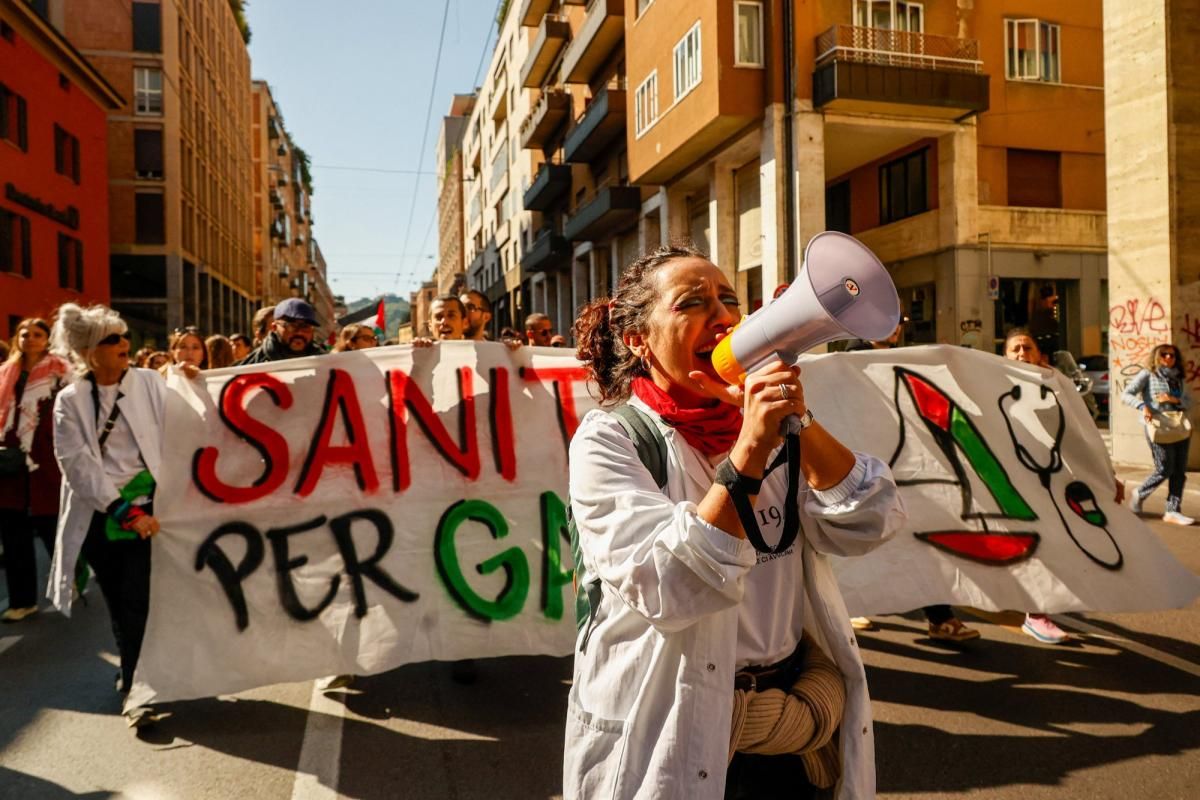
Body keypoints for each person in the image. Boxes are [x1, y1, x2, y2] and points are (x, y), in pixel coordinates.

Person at [565, 245, 904, 799]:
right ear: (637, 340)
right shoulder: (611, 439)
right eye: (691, 304)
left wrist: (799, 419)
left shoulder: (775, 427)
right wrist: (748, 450)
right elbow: (671, 587)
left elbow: (871, 518)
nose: (722, 316)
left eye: (728, 300)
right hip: (672, 734)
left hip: (791, 729)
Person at [48, 304, 168, 728]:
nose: (124, 345)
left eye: (124, 336)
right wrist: (123, 511)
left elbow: (188, 424)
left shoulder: (152, 383)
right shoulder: (69, 400)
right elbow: (76, 463)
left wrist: (193, 383)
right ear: (88, 351)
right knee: (121, 602)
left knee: (139, 602)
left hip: (152, 513)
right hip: (105, 517)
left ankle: (138, 689)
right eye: (112, 339)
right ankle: (134, 678)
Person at [847, 320, 979, 642]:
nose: (893, 328)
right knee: (862, 536)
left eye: (898, 322)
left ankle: (940, 616)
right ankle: (849, 603)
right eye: (886, 320)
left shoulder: (905, 359)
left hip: (905, 466)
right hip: (865, 464)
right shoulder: (850, 359)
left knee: (920, 540)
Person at [1, 319, 70, 622]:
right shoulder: (6, 371)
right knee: (13, 533)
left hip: (46, 459)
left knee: (52, 527)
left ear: (47, 339)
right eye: (24, 334)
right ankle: (22, 601)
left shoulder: (61, 371)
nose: (30, 339)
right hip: (9, 461)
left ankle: (71, 579)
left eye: (37, 334)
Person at [1123, 343, 1194, 526]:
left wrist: (1174, 399)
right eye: (1165, 354)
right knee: (1164, 468)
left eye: (1172, 355)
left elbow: (1189, 401)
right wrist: (1142, 406)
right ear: (1157, 356)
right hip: (1157, 424)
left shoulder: (1179, 378)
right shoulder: (1148, 374)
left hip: (1178, 425)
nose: (1169, 358)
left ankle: (1172, 511)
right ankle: (1140, 493)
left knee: (1179, 471)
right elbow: (1127, 394)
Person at [236, 299, 324, 365]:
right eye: (292, 326)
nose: (299, 333)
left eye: (305, 326)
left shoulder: (324, 364)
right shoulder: (251, 366)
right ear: (274, 327)